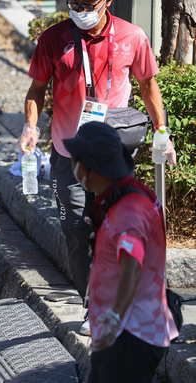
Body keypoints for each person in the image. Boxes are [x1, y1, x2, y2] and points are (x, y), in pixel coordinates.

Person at [21, 0, 177, 335]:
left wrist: (162, 132)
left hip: (113, 153)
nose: (80, 8)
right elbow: (36, 90)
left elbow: (149, 86)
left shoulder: (132, 36)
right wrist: (31, 127)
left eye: (88, 3)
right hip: (68, 151)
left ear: (106, 1)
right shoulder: (54, 38)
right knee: (77, 230)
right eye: (74, 2)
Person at [62, 121, 179, 383]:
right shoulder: (122, 194)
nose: (72, 168)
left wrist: (114, 319)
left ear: (89, 167)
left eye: (75, 160)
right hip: (121, 332)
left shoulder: (128, 211)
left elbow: (131, 265)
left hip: (130, 334)